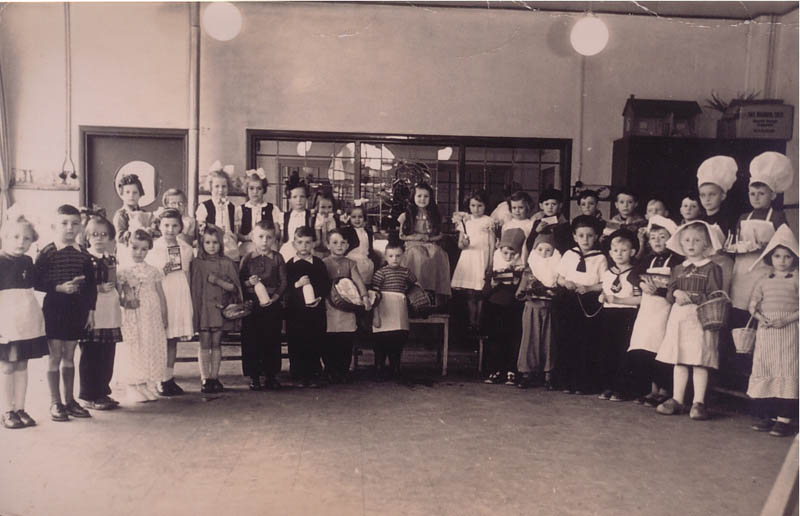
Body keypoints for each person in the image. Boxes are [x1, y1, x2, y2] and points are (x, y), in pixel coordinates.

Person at [655, 221, 725, 421]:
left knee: (699, 359)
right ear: (681, 243)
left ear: (706, 244)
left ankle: (698, 402)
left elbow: (716, 294)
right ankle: (677, 399)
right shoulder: (678, 268)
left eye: (697, 240)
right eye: (687, 240)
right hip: (679, 318)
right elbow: (670, 291)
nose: (691, 244)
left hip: (701, 317)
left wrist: (694, 297)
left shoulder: (712, 268)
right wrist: (675, 292)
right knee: (680, 358)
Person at [35, 204, 97, 421]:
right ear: (54, 226)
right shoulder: (47, 252)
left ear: (81, 226)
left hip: (76, 309)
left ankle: (70, 401)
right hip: (54, 308)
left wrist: (91, 311)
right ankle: (55, 402)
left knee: (70, 355)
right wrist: (58, 287)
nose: (70, 228)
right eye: (64, 223)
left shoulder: (84, 254)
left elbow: (91, 286)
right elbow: (36, 281)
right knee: (55, 356)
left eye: (75, 223)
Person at [746, 225, 799, 437]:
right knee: (766, 368)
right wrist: (762, 319)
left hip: (789, 331)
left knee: (786, 370)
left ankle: (784, 419)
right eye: (777, 256)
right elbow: (753, 305)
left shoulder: (797, 279)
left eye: (787, 256)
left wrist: (786, 320)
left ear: (794, 258)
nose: (782, 261)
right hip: (767, 331)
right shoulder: (763, 280)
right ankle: (768, 416)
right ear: (770, 257)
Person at [728, 152, 792, 316]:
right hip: (742, 271)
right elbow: (736, 241)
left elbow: (786, 244)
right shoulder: (743, 217)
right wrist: (733, 247)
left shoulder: (777, 217)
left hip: (765, 269)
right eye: (752, 194)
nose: (756, 198)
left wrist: (768, 247)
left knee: (761, 307)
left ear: (773, 195)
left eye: (761, 194)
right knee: (740, 308)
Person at [0, 215, 48, 429]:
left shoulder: (27, 261)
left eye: (27, 238)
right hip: (6, 323)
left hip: (26, 321)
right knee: (6, 367)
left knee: (22, 365)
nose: (21, 242)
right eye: (15, 237)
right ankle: (6, 411)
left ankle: (20, 408)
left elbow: (35, 288)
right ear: (4, 237)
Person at [626, 215, 680, 406]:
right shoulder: (648, 259)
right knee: (645, 348)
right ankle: (652, 390)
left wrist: (658, 290)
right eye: (653, 237)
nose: (657, 241)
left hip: (666, 309)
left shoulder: (677, 260)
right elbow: (632, 275)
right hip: (648, 310)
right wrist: (642, 284)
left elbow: (678, 286)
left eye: (662, 237)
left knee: (662, 349)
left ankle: (665, 390)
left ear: (671, 239)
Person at [555, 215, 607, 394]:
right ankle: (566, 381)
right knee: (568, 339)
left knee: (586, 342)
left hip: (589, 302)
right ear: (574, 237)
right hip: (570, 300)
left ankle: (584, 383)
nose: (585, 240)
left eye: (590, 236)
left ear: (597, 237)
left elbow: (604, 283)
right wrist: (566, 283)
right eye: (581, 235)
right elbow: (559, 277)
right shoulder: (569, 254)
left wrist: (590, 288)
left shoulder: (600, 258)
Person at [147, 209, 194, 396]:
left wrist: (188, 298)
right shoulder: (153, 247)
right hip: (161, 292)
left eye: (174, 225)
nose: (170, 229)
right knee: (160, 337)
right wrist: (163, 270)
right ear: (159, 226)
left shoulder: (186, 249)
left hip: (179, 293)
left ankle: (168, 378)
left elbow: (187, 274)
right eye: (166, 225)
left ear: (180, 227)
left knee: (172, 338)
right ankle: (157, 378)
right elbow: (150, 275)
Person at [118, 229, 168, 404]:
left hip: (152, 314)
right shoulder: (123, 271)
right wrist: (127, 300)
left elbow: (160, 294)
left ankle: (146, 383)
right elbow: (119, 296)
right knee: (136, 346)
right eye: (135, 248)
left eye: (144, 249)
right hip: (134, 314)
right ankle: (134, 385)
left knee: (150, 344)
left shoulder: (154, 271)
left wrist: (164, 314)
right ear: (127, 246)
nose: (139, 253)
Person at [191, 224, 242, 393]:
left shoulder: (226, 263)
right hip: (204, 309)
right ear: (201, 244)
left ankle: (214, 377)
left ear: (220, 244)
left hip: (219, 309)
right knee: (204, 342)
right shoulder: (198, 264)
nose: (211, 246)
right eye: (207, 242)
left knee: (216, 343)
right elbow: (194, 289)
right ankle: (205, 378)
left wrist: (218, 281)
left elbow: (234, 288)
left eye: (215, 242)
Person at [78, 216, 122, 410]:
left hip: (110, 311)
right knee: (91, 355)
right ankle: (88, 394)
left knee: (107, 354)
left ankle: (102, 392)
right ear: (87, 236)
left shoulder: (111, 258)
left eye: (104, 235)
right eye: (94, 234)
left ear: (110, 237)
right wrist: (98, 288)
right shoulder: (84, 259)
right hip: (92, 312)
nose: (99, 238)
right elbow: (80, 286)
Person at [239, 220, 286, 391]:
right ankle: (254, 376)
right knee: (252, 340)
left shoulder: (278, 258)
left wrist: (276, 297)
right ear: (253, 237)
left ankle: (271, 375)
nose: (265, 241)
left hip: (272, 304)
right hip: (253, 305)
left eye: (269, 237)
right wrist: (248, 283)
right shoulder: (247, 258)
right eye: (260, 237)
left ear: (274, 239)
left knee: (271, 339)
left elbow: (283, 281)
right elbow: (240, 282)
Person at [597, 229, 641, 402]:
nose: (619, 254)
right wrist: (602, 297)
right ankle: (608, 385)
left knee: (623, 350)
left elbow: (639, 299)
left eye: (624, 250)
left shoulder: (635, 274)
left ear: (632, 252)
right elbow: (604, 291)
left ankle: (621, 388)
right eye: (615, 250)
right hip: (608, 314)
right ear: (610, 253)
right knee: (608, 350)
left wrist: (618, 300)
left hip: (627, 314)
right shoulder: (608, 273)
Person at [323, 229, 371, 383]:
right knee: (329, 339)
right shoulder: (324, 263)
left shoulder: (351, 263)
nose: (339, 245)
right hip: (329, 306)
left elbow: (358, 281)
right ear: (328, 245)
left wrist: (364, 297)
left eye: (343, 242)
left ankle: (342, 370)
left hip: (347, 307)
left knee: (346, 339)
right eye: (335, 242)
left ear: (348, 245)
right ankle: (329, 369)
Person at [285, 226, 330, 387]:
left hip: (315, 311)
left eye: (307, 242)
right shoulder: (289, 265)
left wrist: (319, 297)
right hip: (296, 312)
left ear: (313, 244)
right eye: (300, 242)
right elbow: (285, 287)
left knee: (315, 340)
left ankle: (314, 373)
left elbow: (325, 284)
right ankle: (298, 374)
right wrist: (297, 284)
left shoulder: (318, 264)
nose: (304, 246)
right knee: (297, 341)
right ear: (294, 244)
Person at [516, 231, 561, 390]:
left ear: (554, 251)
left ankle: (548, 374)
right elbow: (520, 292)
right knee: (530, 339)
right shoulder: (530, 269)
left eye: (548, 250)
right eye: (540, 249)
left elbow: (559, 290)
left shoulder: (557, 269)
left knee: (548, 340)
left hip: (549, 309)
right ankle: (527, 373)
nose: (544, 253)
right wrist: (526, 292)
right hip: (532, 308)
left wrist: (553, 292)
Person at [398, 181, 451, 307]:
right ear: (413, 197)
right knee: (419, 256)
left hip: (429, 243)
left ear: (430, 198)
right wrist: (416, 237)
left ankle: (434, 294)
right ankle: (418, 293)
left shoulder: (435, 215)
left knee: (438, 253)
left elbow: (440, 234)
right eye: (419, 196)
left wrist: (429, 238)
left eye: (426, 196)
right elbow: (401, 235)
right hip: (413, 244)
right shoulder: (407, 215)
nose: (422, 199)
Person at [483, 228, 526, 386]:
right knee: (495, 339)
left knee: (513, 339)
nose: (508, 257)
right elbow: (484, 293)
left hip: (513, 309)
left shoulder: (522, 270)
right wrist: (493, 285)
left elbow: (523, 293)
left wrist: (517, 284)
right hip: (495, 308)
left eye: (512, 254)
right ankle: (495, 370)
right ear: (499, 251)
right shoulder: (493, 268)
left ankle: (511, 370)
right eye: (505, 253)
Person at [450, 190, 495, 334]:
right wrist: (464, 242)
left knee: (480, 293)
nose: (476, 209)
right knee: (470, 294)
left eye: (480, 206)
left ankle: (479, 322)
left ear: (485, 206)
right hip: (469, 258)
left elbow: (492, 244)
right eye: (473, 205)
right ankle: (471, 322)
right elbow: (460, 245)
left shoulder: (488, 221)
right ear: (469, 206)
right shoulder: (465, 221)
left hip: (482, 257)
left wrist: (490, 263)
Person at [371, 242, 417, 380]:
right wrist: (376, 315)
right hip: (384, 307)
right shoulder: (381, 273)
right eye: (391, 256)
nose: (394, 259)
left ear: (403, 256)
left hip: (399, 308)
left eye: (398, 256)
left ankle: (395, 368)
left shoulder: (406, 272)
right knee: (381, 339)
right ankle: (379, 367)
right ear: (385, 257)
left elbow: (415, 284)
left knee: (398, 338)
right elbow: (374, 294)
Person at [196, 162, 239, 262]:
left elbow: (235, 228)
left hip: (228, 245)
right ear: (210, 187)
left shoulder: (232, 207)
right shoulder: (204, 206)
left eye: (224, 186)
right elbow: (200, 230)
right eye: (217, 186)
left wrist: (234, 237)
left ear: (228, 187)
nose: (220, 190)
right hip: (211, 245)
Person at [236, 168, 282, 258]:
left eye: (259, 188)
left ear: (264, 190)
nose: (255, 192)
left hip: (268, 244)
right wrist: (246, 237)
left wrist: (268, 236)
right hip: (248, 245)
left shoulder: (272, 209)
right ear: (246, 189)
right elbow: (237, 234)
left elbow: (277, 233)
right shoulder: (240, 209)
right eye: (251, 188)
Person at [280, 172, 314, 262]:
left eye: (302, 197)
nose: (299, 200)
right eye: (294, 197)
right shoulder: (284, 217)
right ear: (289, 199)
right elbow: (282, 238)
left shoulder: (311, 216)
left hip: (305, 250)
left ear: (306, 198)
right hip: (288, 251)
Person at [113, 174, 153, 248]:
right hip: (125, 248)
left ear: (140, 194)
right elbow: (119, 237)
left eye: (135, 192)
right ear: (122, 194)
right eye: (127, 192)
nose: (131, 195)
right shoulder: (121, 215)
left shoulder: (144, 213)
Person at [528, 188, 571, 254]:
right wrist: (536, 232)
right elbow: (528, 244)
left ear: (560, 205)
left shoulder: (564, 224)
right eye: (546, 204)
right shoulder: (537, 223)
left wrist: (556, 230)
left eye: (554, 204)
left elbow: (567, 246)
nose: (550, 207)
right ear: (541, 206)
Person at [343, 204, 378, 285]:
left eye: (360, 217)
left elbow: (370, 249)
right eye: (353, 217)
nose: (357, 220)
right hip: (352, 262)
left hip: (365, 262)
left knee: (365, 283)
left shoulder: (368, 233)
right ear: (349, 218)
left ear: (364, 218)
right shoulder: (347, 231)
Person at [500, 191, 535, 264]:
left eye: (521, 207)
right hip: (507, 260)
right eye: (514, 208)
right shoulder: (507, 225)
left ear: (527, 208)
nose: (517, 211)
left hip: (524, 259)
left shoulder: (531, 224)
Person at [312, 189, 339, 259]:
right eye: (323, 207)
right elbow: (319, 241)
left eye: (329, 207)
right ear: (317, 207)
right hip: (316, 252)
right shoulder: (314, 220)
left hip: (332, 252)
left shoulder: (334, 219)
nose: (326, 211)